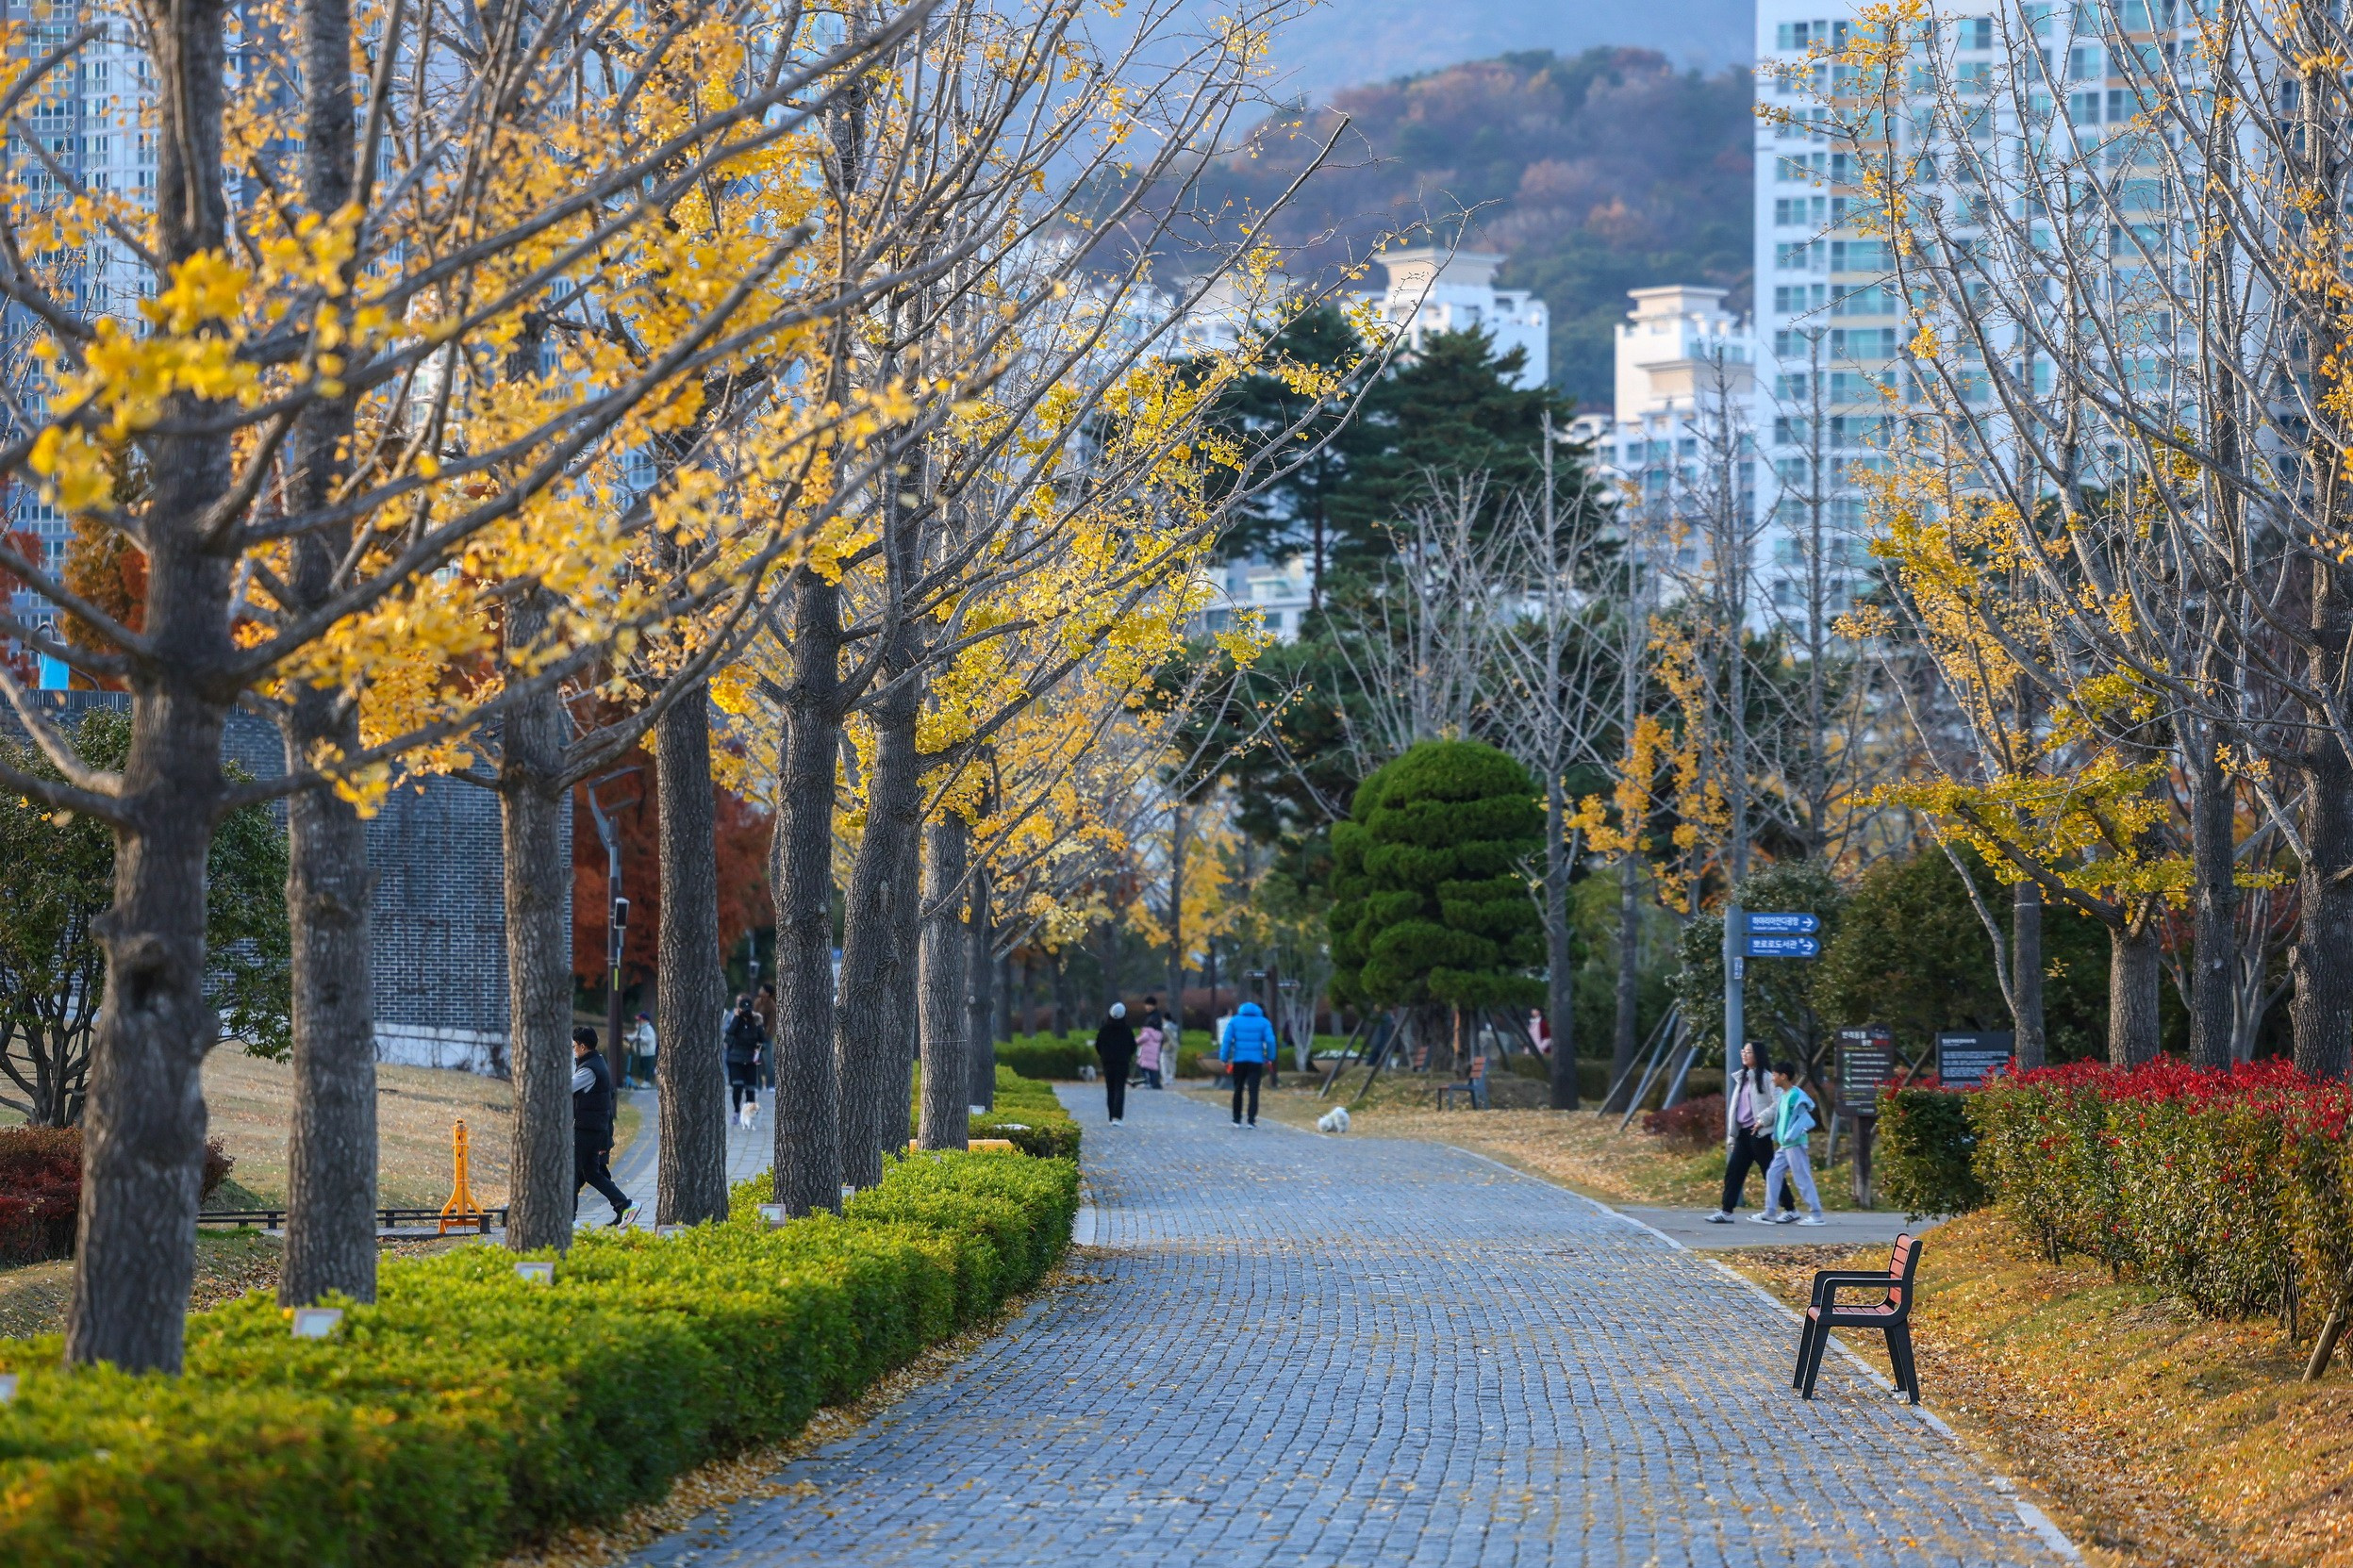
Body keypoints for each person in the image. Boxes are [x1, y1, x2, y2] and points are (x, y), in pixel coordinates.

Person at [1708, 1041, 1779, 1224]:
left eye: (1748, 1052)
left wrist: (1762, 1120)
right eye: (1743, 1051)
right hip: (1743, 1134)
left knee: (1769, 1172)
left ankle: (1790, 1208)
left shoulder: (1767, 1078)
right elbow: (1737, 1109)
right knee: (1734, 1172)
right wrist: (1732, 1134)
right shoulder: (1743, 1078)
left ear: (1758, 1056)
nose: (1744, 1055)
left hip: (1759, 1133)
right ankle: (1726, 1211)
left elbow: (1778, 1103)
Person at [572, 1027, 638, 1226]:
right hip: (593, 1128)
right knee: (578, 1175)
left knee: (589, 1173)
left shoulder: (588, 1070)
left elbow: (565, 1087)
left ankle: (626, 1205)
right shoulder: (597, 1062)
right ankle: (622, 1207)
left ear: (583, 1046)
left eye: (575, 1046)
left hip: (588, 1129)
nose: (573, 1050)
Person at [1759, 1061, 1827, 1226]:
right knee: (1773, 1173)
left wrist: (1791, 1135)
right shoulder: (1783, 1095)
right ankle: (1770, 1212)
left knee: (1802, 1177)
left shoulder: (1795, 1095)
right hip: (1785, 1145)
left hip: (1795, 1143)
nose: (1772, 1078)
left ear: (1784, 1076)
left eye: (1774, 1075)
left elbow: (1804, 1119)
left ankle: (1816, 1215)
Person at [1219, 1000, 1277, 1127]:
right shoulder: (1264, 1022)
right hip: (1256, 1061)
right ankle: (1251, 1120)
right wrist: (1271, 1057)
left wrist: (1224, 1058)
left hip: (1239, 1060)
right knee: (1253, 1091)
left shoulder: (1234, 1021)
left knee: (1238, 1089)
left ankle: (1236, 1119)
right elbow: (1271, 1041)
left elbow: (1227, 1040)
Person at [724, 995, 767, 1126]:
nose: (746, 1012)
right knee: (737, 1086)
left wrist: (758, 1051)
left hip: (750, 1059)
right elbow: (730, 1032)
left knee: (750, 1089)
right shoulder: (736, 1020)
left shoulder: (756, 1021)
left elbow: (762, 1040)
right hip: (736, 1058)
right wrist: (737, 1017)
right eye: (744, 1009)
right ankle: (737, 1110)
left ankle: (748, 1114)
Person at [1093, 1002, 1136, 1124]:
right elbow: (1133, 1046)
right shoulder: (1127, 1030)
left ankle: (1111, 1115)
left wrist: (1104, 1055)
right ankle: (1117, 1117)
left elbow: (1098, 1045)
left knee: (1110, 1089)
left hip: (1108, 1063)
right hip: (1122, 1063)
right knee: (1119, 1089)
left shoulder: (1104, 1029)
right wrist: (1127, 1055)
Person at [754, 982, 778, 1090]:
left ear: (767, 993)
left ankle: (771, 1085)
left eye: (762, 989)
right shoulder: (757, 1002)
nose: (760, 990)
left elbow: (771, 1024)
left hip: (767, 1037)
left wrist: (765, 1035)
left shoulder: (772, 1006)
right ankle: (758, 1084)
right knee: (756, 1060)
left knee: (768, 1062)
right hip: (756, 1036)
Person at [624, 1012, 657, 1089]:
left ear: (645, 1020)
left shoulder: (648, 1029)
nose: (639, 1021)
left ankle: (647, 1082)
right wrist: (627, 1037)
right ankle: (656, 1072)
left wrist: (641, 1038)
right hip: (643, 1052)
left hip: (649, 1052)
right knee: (644, 1066)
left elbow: (649, 1039)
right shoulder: (640, 1029)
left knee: (647, 1068)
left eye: (640, 1020)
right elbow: (635, 1036)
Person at [1135, 1014, 1165, 1091]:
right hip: (1154, 1056)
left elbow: (1141, 1039)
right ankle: (1153, 1083)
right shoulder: (1158, 1034)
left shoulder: (1147, 1033)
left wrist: (1134, 1041)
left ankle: (1145, 1082)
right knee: (1152, 1070)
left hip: (1146, 1055)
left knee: (1141, 1068)